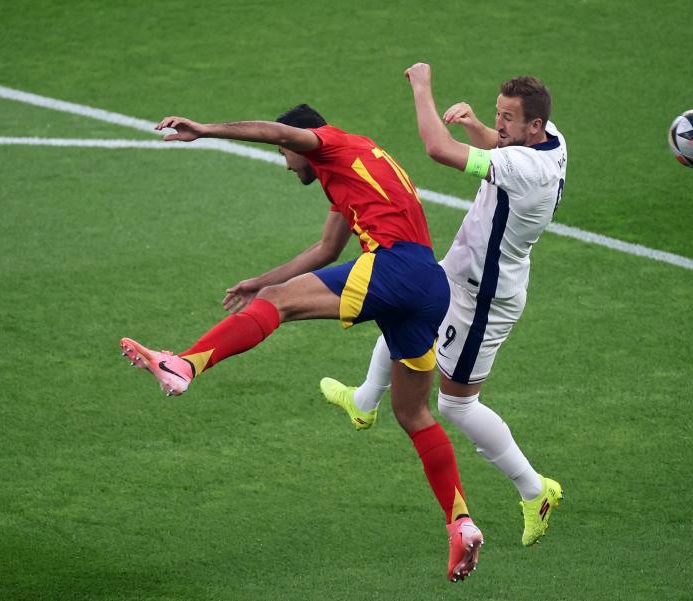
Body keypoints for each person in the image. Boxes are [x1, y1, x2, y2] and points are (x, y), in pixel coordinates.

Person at [119, 103, 483, 582]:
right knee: (413, 413)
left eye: (284, 152)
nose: (284, 161)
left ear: (297, 142)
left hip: (395, 266)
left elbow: (277, 131)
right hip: (428, 286)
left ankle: (184, 365)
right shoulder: (353, 164)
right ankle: (461, 522)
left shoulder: (327, 143)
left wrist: (206, 129)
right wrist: (261, 282)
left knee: (281, 304)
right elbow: (327, 249)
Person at [320, 63, 567, 547]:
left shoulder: (529, 168)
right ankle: (366, 402)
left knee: (456, 404)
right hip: (462, 271)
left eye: (507, 118)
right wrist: (480, 125)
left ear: (533, 126)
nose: (499, 124)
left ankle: (535, 489)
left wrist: (424, 88)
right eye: (498, 113)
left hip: (485, 298)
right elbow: (500, 145)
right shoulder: (547, 138)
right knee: (406, 301)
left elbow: (438, 149)